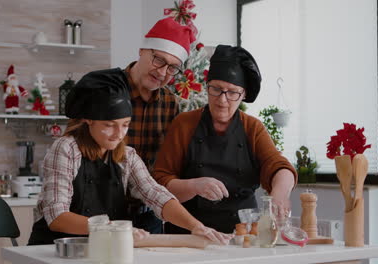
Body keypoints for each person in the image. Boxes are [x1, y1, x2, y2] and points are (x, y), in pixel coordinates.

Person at [27, 68, 231, 245]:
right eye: (109, 125)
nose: (119, 134)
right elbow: (57, 216)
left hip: (99, 250)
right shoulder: (66, 149)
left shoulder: (126, 156)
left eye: (125, 125)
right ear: (89, 120)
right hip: (52, 250)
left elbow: (156, 194)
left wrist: (195, 226)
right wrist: (113, 228)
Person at [153, 45, 297, 234]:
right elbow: (161, 181)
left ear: (243, 94)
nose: (222, 100)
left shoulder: (252, 128)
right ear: (207, 87)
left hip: (242, 235)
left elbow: (279, 167)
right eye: (216, 89)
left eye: (232, 92)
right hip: (189, 232)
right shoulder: (184, 124)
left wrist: (280, 193)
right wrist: (194, 186)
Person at [123, 17, 196, 234]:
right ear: (142, 50)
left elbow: (169, 163)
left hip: (149, 215)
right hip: (105, 213)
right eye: (158, 60)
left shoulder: (170, 103)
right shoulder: (109, 91)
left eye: (173, 68)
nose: (163, 73)